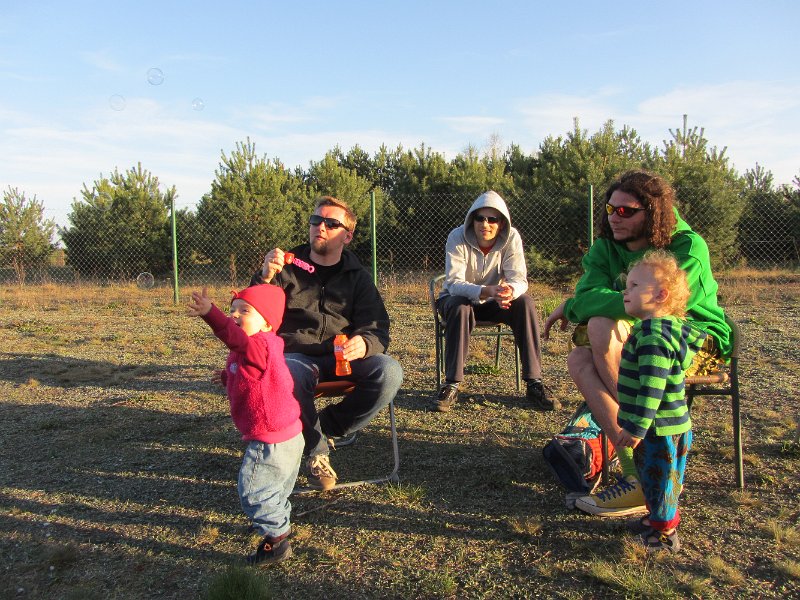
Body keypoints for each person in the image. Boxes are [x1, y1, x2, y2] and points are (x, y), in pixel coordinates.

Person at [543, 169, 731, 516]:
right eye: (610, 209)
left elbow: (663, 308)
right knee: (581, 356)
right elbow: (586, 297)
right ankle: (638, 472)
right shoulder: (605, 247)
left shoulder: (687, 247)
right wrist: (582, 304)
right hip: (639, 338)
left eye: (626, 211)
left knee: (602, 326)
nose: (615, 217)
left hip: (692, 338)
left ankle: (646, 462)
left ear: (653, 212)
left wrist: (578, 306)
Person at [251, 196, 403, 491]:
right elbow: (252, 313)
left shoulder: (358, 278)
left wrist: (365, 343)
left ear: (347, 236)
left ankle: (326, 426)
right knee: (288, 374)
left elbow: (377, 327)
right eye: (316, 220)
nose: (320, 227)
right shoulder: (285, 268)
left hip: (343, 356)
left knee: (389, 371)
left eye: (331, 223)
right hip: (296, 355)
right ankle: (316, 452)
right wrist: (265, 277)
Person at [575, 250, 706, 552]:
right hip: (669, 425)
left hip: (658, 428)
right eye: (627, 285)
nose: (626, 292)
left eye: (634, 286)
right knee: (659, 478)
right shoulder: (665, 330)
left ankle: (664, 535)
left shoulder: (653, 338)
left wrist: (635, 428)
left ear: (661, 295)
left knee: (660, 480)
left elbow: (652, 389)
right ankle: (655, 520)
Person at [187, 284, 303, 565]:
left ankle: (276, 539)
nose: (235, 315)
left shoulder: (258, 344)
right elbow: (253, 373)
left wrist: (212, 314)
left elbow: (236, 340)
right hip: (289, 433)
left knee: (253, 492)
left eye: (245, 311)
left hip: (270, 440)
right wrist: (227, 377)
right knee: (276, 488)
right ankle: (275, 520)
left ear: (267, 323)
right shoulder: (264, 346)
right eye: (232, 310)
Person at [431, 190, 555, 412]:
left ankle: (534, 383)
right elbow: (454, 283)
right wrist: (486, 290)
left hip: (494, 301)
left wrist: (509, 292)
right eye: (480, 218)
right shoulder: (456, 236)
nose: (485, 224)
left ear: (502, 223)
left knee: (525, 303)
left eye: (492, 219)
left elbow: (519, 279)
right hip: (457, 301)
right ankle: (452, 384)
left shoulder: (512, 237)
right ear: (472, 219)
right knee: (460, 306)